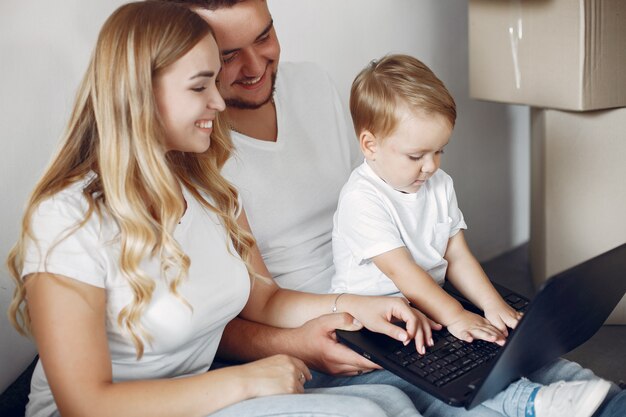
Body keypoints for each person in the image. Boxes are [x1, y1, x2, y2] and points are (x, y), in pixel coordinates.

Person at [162, 1, 625, 417]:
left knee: (566, 381)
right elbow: (223, 314)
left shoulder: (314, 85)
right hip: (334, 324)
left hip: (399, 296)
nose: (254, 65)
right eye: (227, 55)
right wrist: (301, 342)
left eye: (264, 36)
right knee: (475, 397)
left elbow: (382, 193)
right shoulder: (194, 145)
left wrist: (471, 304)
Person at [6, 3, 440, 417]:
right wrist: (248, 381)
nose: (217, 101)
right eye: (200, 86)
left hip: (197, 399)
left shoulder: (207, 186)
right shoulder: (66, 217)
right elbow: (86, 404)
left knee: (388, 400)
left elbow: (267, 299)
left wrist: (353, 305)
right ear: (138, 95)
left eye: (215, 81)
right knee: (373, 411)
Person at [330, 53, 612, 417]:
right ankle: (523, 401)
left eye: (439, 151)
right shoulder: (361, 200)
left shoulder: (437, 184)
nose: (430, 166)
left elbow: (457, 254)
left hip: (430, 302)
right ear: (370, 145)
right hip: (379, 325)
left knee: (499, 341)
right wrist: (453, 315)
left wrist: (491, 303)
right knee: (453, 373)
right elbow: (405, 275)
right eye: (417, 156)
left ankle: (590, 393)